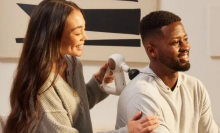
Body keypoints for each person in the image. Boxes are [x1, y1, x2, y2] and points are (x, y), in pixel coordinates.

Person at [2, 0, 159, 133]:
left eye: (84, 29)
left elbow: (74, 108)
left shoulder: (72, 63)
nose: (85, 37)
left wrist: (97, 83)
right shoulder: (42, 88)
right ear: (52, 35)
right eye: (77, 33)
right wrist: (126, 131)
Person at [115, 10, 220, 133]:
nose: (185, 47)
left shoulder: (195, 87)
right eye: (176, 42)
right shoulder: (141, 94)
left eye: (185, 39)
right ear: (152, 51)